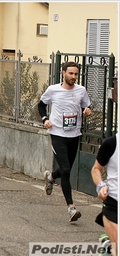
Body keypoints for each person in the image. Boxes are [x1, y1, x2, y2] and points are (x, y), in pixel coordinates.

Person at [38, 61, 92, 222]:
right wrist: (45, 119)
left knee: (65, 169)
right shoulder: (53, 90)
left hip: (74, 134)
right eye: (71, 73)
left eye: (76, 74)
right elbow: (41, 105)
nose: (74, 77)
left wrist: (87, 111)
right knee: (66, 169)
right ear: (63, 73)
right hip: (57, 133)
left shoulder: (81, 90)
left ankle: (51, 177)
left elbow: (86, 107)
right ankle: (71, 208)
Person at [91, 133, 118, 256]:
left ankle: (108, 245)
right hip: (114, 204)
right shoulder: (112, 143)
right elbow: (96, 169)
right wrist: (101, 186)